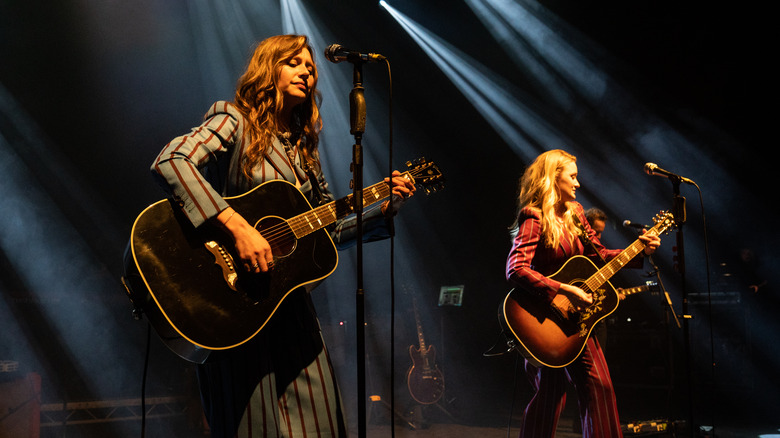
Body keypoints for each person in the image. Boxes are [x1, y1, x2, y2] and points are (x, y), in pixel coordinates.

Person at [151, 34, 416, 438]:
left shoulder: (304, 152)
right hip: (235, 307)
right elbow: (172, 159)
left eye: (310, 67)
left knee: (323, 427)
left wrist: (384, 206)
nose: (306, 71)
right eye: (294, 62)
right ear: (268, 69)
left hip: (290, 309)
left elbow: (326, 232)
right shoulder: (233, 120)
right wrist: (238, 228)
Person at [505, 149, 660, 437]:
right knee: (550, 396)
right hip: (543, 320)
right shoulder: (534, 216)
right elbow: (516, 269)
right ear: (554, 178)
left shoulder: (576, 214)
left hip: (577, 321)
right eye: (573, 177)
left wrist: (639, 251)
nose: (578, 183)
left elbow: (599, 255)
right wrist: (562, 289)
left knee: (599, 387)